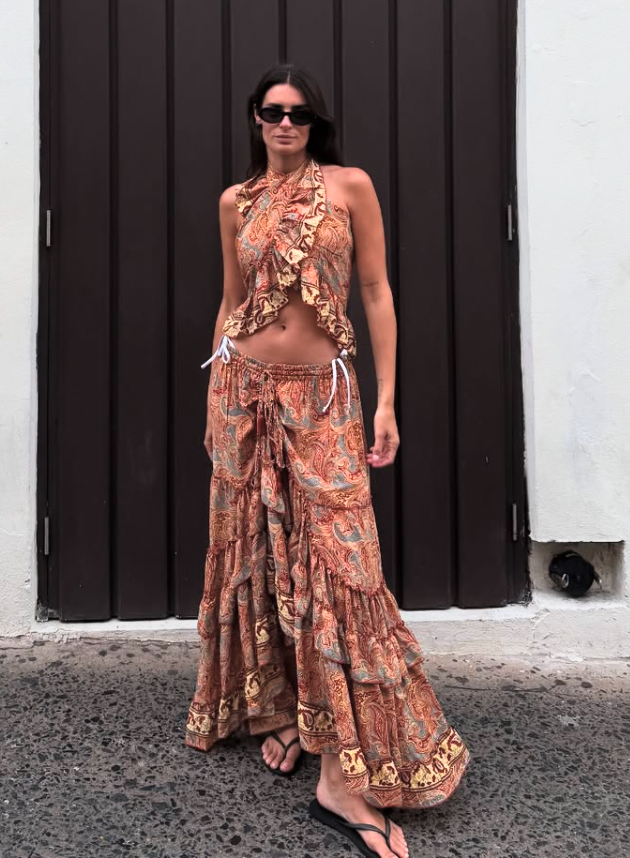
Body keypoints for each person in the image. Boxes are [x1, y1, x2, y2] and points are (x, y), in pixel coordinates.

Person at [184, 64, 469, 857]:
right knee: (258, 547)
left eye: (299, 113)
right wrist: (213, 395)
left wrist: (386, 402)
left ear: (316, 123)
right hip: (243, 391)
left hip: (322, 398)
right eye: (273, 111)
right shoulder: (235, 202)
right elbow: (231, 300)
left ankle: (343, 776)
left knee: (344, 566)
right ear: (255, 117)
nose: (285, 123)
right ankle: (280, 709)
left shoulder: (349, 187)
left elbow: (375, 291)